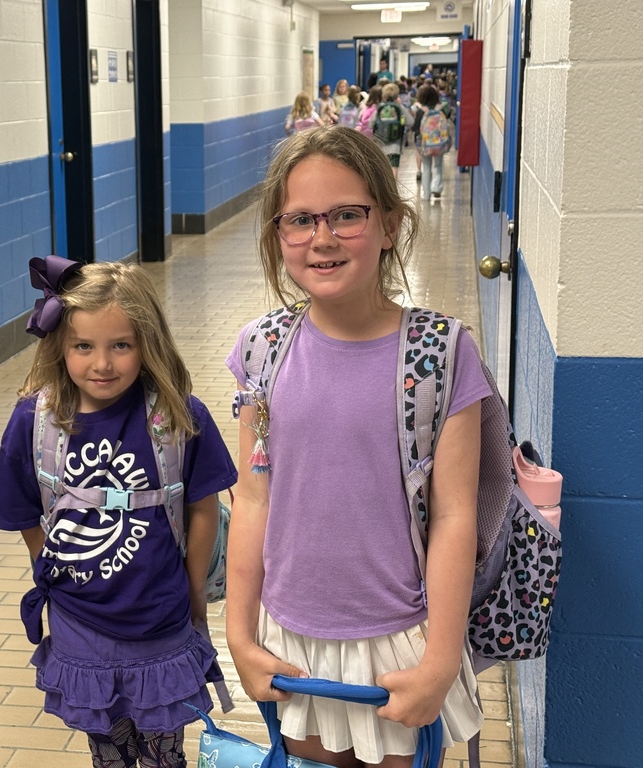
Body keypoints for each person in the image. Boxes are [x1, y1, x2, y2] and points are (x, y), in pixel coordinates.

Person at [224, 126, 488, 768]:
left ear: (390, 225)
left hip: (399, 639)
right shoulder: (261, 352)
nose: (322, 238)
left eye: (347, 215)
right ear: (276, 235)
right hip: (293, 639)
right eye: (300, 220)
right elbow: (253, 497)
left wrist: (440, 660)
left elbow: (455, 516)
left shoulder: (440, 355)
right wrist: (238, 635)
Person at [0, 258, 237, 768]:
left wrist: (193, 594)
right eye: (84, 346)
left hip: (162, 618)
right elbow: (23, 512)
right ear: (60, 345)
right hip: (82, 625)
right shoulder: (37, 420)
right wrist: (50, 570)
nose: (102, 363)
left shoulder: (177, 416)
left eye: (120, 345)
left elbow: (203, 508)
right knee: (109, 750)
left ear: (148, 344)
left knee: (165, 752)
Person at [413, 84, 453, 201]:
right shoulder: (441, 110)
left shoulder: (420, 111)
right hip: (439, 143)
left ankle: (426, 195)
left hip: (425, 145)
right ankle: (437, 187)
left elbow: (415, 127)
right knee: (438, 165)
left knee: (426, 167)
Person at [373, 82, 414, 179]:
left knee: (383, 167)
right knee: (394, 166)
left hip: (381, 142)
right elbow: (410, 121)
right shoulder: (399, 108)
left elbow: (371, 123)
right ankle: (393, 188)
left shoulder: (380, 108)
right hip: (395, 142)